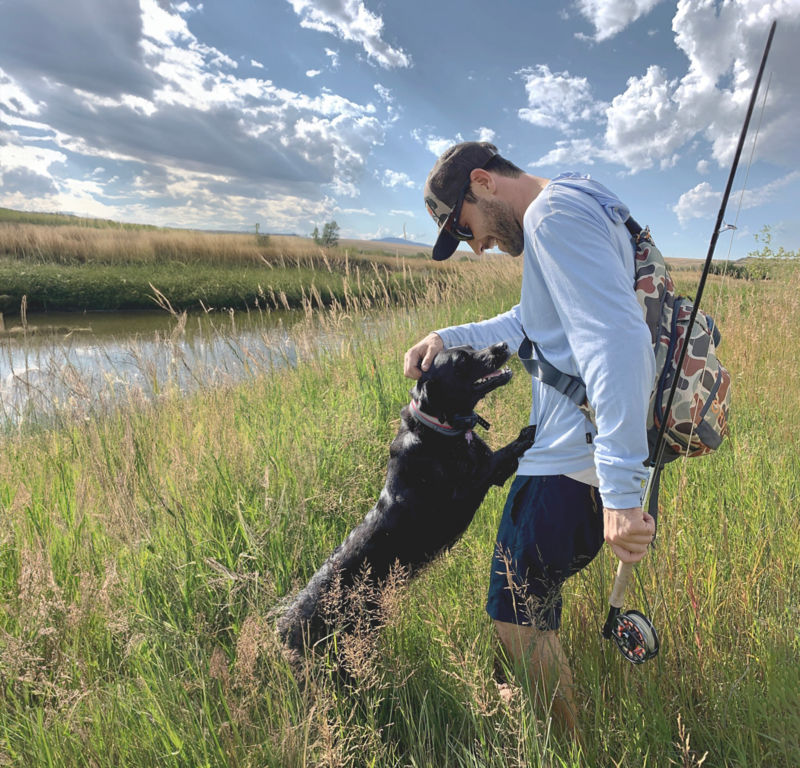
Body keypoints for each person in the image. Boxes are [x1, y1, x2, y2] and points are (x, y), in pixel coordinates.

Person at [404, 141, 657, 734]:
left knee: (516, 619)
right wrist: (448, 335)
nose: (477, 246)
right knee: (528, 608)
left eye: (465, 228)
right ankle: (530, 712)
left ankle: (571, 747)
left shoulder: (552, 217)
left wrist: (621, 493)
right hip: (581, 463)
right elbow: (531, 323)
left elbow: (618, 343)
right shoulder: (575, 200)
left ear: (484, 182)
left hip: (567, 467)